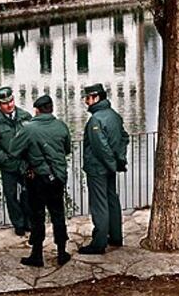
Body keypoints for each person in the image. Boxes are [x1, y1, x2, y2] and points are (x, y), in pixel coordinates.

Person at [10, 95, 71, 267]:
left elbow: (14, 150)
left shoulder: (29, 129)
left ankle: (37, 254)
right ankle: (61, 253)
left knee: (37, 217)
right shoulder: (61, 126)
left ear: (36, 110)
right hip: (58, 178)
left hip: (37, 179)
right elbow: (66, 149)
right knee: (58, 214)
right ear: (51, 108)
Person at [78, 83, 129, 255]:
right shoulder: (114, 115)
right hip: (110, 167)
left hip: (97, 169)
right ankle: (116, 237)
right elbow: (124, 138)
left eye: (87, 98)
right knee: (112, 200)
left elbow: (100, 147)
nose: (86, 102)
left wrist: (112, 163)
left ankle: (98, 244)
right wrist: (119, 160)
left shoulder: (96, 120)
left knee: (99, 205)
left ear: (96, 97)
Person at [0, 86, 32, 237]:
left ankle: (29, 222)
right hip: (8, 166)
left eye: (11, 101)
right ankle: (18, 224)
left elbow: (33, 138)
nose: (10, 105)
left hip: (25, 164)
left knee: (28, 193)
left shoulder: (25, 116)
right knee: (11, 196)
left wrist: (31, 160)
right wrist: (4, 159)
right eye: (5, 103)